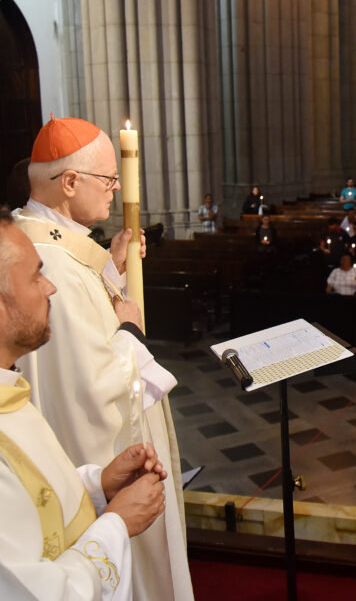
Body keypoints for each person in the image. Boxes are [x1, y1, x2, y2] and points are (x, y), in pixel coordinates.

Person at [13, 116, 192, 600]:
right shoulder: (51, 263)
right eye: (108, 179)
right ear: (70, 183)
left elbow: (82, 328)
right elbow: (90, 384)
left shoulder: (49, 241)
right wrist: (131, 329)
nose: (116, 189)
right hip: (96, 453)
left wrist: (110, 268)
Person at [0, 211, 169, 600]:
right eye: (35, 277)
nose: (51, 288)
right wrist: (117, 523)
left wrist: (98, 484)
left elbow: (34, 503)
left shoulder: (11, 390)